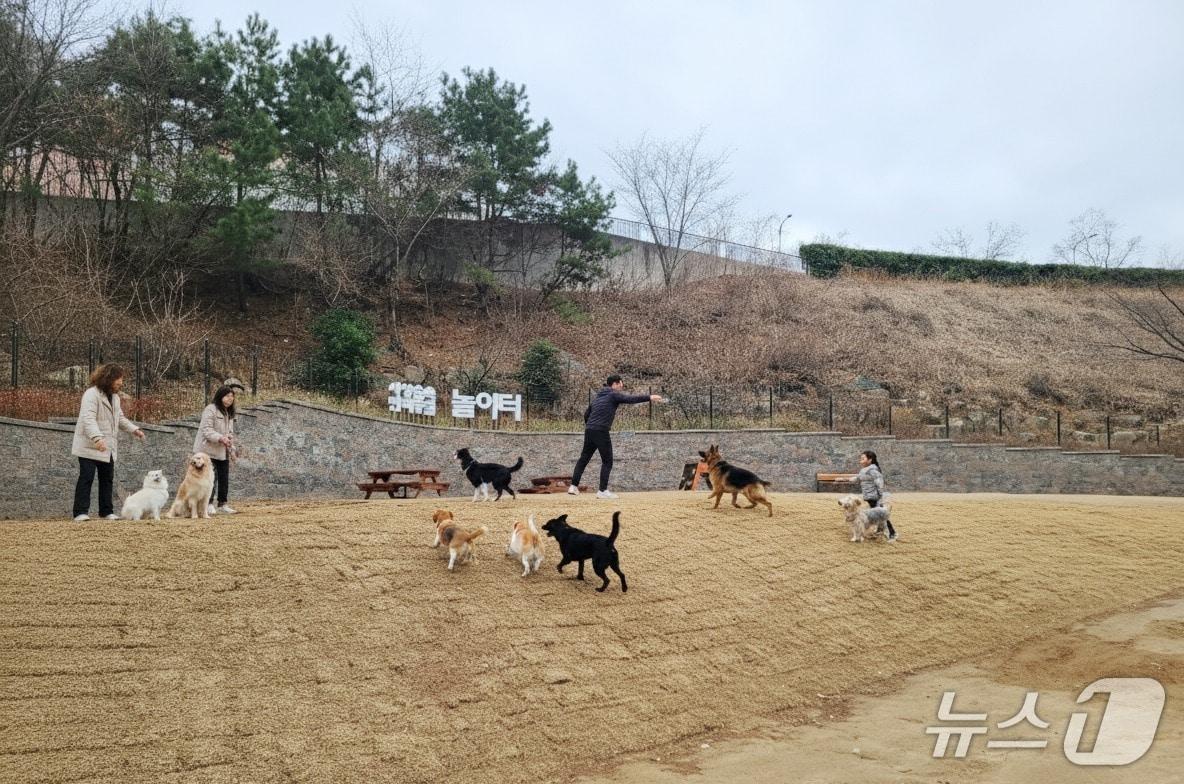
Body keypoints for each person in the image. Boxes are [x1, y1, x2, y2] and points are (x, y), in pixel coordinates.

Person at [568, 375, 663, 499]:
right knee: (607, 461)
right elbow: (630, 399)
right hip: (601, 430)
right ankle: (602, 491)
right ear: (615, 384)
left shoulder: (597, 398)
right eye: (621, 385)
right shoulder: (613, 394)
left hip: (590, 430)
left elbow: (586, 415)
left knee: (584, 458)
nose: (621, 387)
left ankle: (573, 486)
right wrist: (650, 397)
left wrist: (591, 426)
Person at [71, 364, 145, 521]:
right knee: (86, 477)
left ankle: (106, 511)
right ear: (109, 378)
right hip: (89, 445)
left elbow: (120, 418)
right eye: (118, 379)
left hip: (107, 447)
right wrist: (97, 438)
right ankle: (80, 512)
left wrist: (134, 430)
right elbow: (88, 418)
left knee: (107, 479)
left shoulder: (115, 398)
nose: (121, 382)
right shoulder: (91, 394)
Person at [196, 385, 238, 515]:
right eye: (227, 396)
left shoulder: (229, 413)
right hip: (207, 450)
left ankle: (222, 504)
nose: (230, 399)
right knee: (210, 479)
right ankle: (207, 504)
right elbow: (207, 430)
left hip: (222, 451)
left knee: (224, 477)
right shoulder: (211, 409)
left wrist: (232, 449)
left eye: (232, 396)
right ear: (220, 396)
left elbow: (229, 434)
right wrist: (221, 438)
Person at [857, 450, 897, 541]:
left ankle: (892, 533)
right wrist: (842, 479)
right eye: (861, 458)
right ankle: (880, 530)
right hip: (869, 497)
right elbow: (857, 478)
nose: (861, 460)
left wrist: (880, 496)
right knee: (879, 515)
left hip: (874, 497)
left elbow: (880, 483)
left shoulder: (873, 470)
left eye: (863, 458)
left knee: (882, 515)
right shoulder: (864, 470)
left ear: (870, 460)